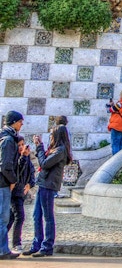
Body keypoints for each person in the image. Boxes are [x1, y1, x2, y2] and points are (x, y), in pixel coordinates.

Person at [27, 121, 69, 258]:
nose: (50, 136)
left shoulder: (60, 150)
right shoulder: (56, 149)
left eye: (52, 134)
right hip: (44, 183)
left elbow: (44, 163)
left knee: (47, 216)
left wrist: (39, 147)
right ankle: (37, 244)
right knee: (36, 215)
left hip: (48, 185)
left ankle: (47, 246)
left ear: (57, 135)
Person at [0, 111, 23, 259]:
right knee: (3, 219)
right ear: (14, 122)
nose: (21, 124)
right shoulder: (8, 140)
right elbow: (5, 165)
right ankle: (3, 250)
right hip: (3, 183)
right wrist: (13, 180)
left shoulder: (5, 137)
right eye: (20, 121)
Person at [7, 136, 33, 253]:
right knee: (20, 216)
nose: (21, 147)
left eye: (23, 144)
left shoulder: (26, 157)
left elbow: (31, 171)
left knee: (11, 217)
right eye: (19, 145)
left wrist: (30, 184)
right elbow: (18, 170)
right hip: (15, 192)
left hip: (21, 192)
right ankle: (16, 243)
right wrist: (23, 156)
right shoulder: (14, 158)